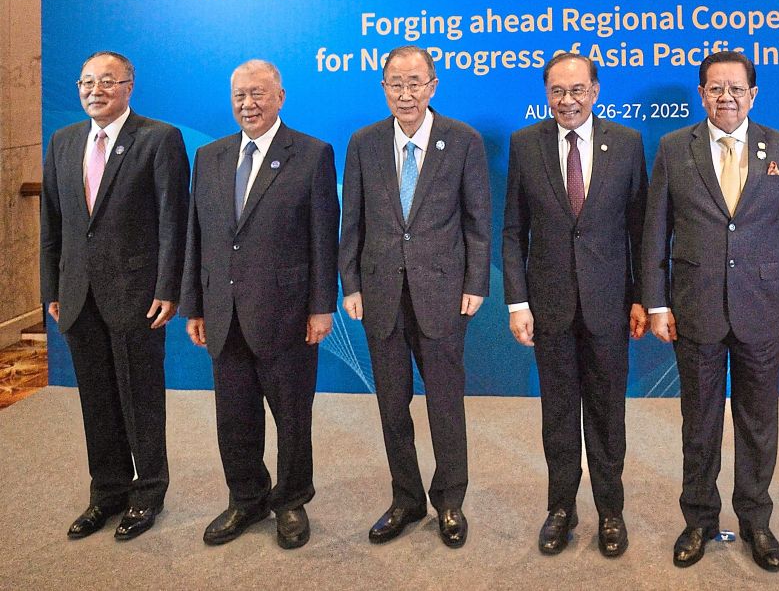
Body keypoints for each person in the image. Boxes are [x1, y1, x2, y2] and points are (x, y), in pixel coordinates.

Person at [642, 50, 779, 572]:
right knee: (699, 422)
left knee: (758, 423)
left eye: (736, 89)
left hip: (763, 309)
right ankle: (697, 519)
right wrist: (656, 302)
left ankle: (756, 521)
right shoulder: (675, 149)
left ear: (753, 94)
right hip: (695, 309)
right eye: (716, 89)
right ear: (701, 95)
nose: (726, 98)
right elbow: (655, 232)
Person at [181, 59, 339, 550]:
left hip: (288, 314)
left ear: (280, 97)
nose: (247, 104)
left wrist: (321, 306)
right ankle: (246, 497)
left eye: (257, 94)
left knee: (292, 416)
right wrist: (194, 305)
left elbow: (323, 239)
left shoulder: (312, 154)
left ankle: (290, 501)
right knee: (234, 416)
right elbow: (197, 236)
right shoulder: (209, 156)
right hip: (223, 312)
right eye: (239, 96)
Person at [339, 45, 490, 548]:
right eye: (395, 84)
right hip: (380, 294)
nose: (405, 94)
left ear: (433, 85)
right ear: (383, 88)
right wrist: (351, 284)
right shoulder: (363, 142)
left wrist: (475, 284)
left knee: (445, 404)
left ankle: (450, 501)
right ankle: (406, 498)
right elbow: (352, 222)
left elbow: (477, 222)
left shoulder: (462, 140)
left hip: (443, 293)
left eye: (414, 83)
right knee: (391, 405)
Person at [502, 52, 648, 558]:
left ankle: (611, 511)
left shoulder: (627, 145)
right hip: (549, 309)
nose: (568, 101)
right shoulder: (525, 145)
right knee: (559, 415)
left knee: (608, 416)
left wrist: (642, 299)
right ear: (547, 95)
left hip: (610, 307)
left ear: (596, 90)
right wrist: (517, 302)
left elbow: (641, 231)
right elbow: (513, 231)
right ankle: (560, 509)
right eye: (558, 92)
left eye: (578, 90)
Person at [40, 51, 189, 541]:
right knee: (96, 400)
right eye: (86, 82)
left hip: (137, 294)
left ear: (129, 86)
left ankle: (147, 494)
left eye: (107, 81)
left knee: (139, 398)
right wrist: (52, 289)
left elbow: (174, 221)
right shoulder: (63, 142)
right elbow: (53, 225)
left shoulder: (159, 138)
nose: (94, 90)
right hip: (77, 295)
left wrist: (169, 287)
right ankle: (106, 492)